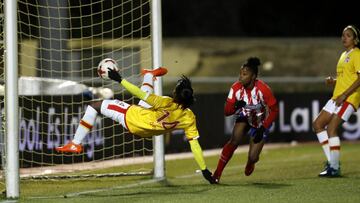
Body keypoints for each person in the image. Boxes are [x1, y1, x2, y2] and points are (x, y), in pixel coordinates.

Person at [56, 67, 216, 184]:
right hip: (146, 131)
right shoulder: (189, 118)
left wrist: (120, 79)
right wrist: (204, 169)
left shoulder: (165, 102)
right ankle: (149, 75)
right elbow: (195, 145)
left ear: (176, 94)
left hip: (130, 118)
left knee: (94, 106)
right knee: (145, 101)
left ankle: (75, 144)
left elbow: (138, 93)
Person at [212, 57, 279, 183]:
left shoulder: (264, 89)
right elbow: (226, 112)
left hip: (260, 123)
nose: (240, 77)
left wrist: (264, 127)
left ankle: (250, 162)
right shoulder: (236, 88)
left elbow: (275, 110)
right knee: (234, 140)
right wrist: (235, 106)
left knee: (253, 157)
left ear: (253, 76)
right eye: (240, 74)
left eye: (244, 74)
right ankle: (217, 174)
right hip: (244, 118)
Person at [313, 25, 360, 177]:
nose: (344, 38)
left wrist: (345, 95)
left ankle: (334, 167)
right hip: (337, 96)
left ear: (355, 39)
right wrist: (333, 81)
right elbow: (345, 77)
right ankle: (332, 162)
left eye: (348, 35)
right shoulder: (343, 55)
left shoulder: (357, 54)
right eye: (343, 35)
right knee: (318, 124)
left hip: (349, 97)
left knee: (332, 128)